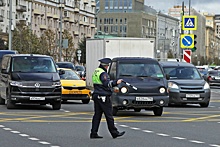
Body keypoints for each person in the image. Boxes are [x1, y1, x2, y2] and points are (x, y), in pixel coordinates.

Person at [90, 58, 125, 139]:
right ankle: (114, 132)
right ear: (105, 66)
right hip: (103, 96)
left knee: (97, 115)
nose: (107, 67)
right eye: (107, 66)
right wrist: (116, 82)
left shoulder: (96, 71)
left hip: (97, 94)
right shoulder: (103, 73)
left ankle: (93, 133)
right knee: (109, 115)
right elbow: (107, 84)